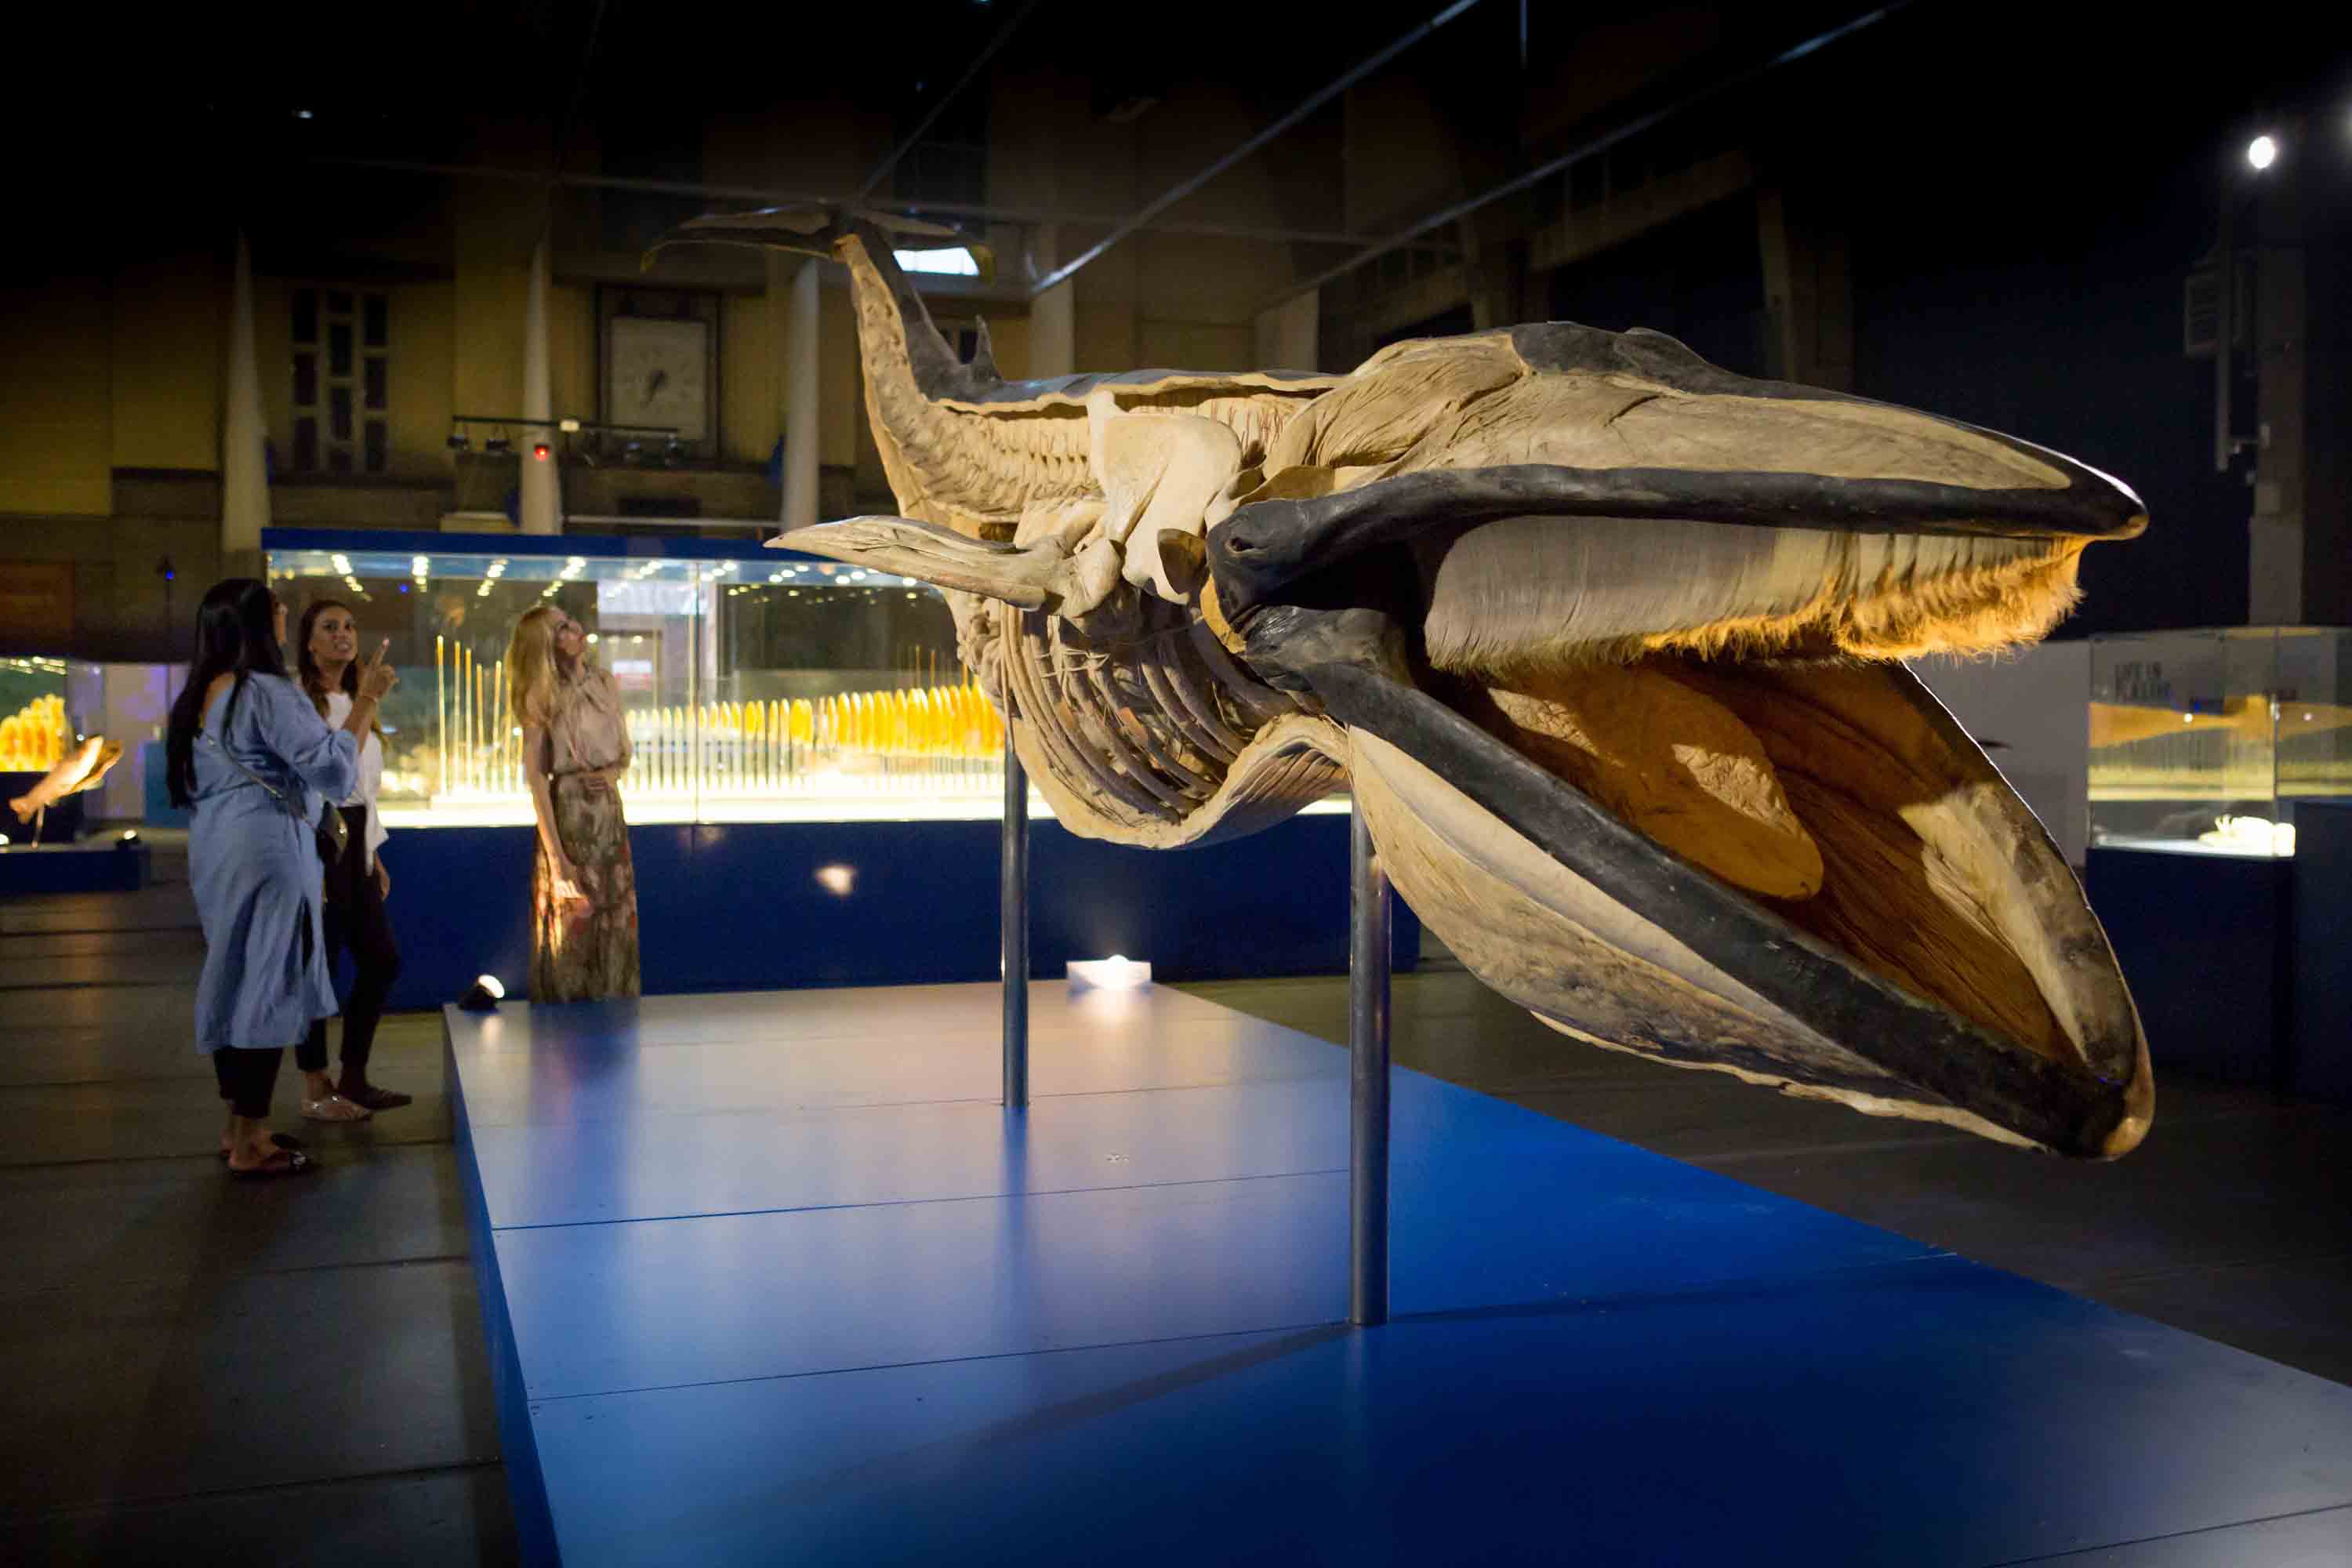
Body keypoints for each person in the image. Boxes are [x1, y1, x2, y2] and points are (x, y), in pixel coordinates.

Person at [165, 579, 396, 1177]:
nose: (285, 614)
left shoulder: (199, 695)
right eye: (276, 609)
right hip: (269, 843)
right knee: (271, 981)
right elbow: (330, 768)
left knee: (233, 974)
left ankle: (235, 1125)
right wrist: (366, 701)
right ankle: (253, 1140)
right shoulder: (265, 691)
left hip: (217, 845)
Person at [296, 599, 410, 1114]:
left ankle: (354, 1076)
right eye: (330, 628)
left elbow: (364, 787)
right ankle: (316, 1084)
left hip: (356, 838)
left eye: (349, 626)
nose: (343, 635)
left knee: (381, 959)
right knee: (318, 966)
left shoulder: (359, 698)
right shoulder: (302, 701)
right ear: (310, 643)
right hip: (320, 834)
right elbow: (329, 773)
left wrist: (373, 853)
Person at [506, 606, 639, 1000]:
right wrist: (557, 857)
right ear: (547, 642)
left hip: (609, 815)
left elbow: (624, 749)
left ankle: (615, 1016)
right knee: (574, 928)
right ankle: (568, 1031)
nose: (576, 629)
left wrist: (613, 772)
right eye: (562, 627)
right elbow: (535, 777)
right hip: (569, 817)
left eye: (571, 621)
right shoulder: (540, 693)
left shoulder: (604, 682)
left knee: (616, 922)